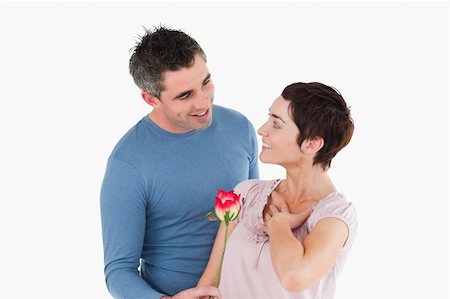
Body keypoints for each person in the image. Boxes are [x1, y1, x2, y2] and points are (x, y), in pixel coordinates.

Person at [100, 26, 259, 299]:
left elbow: (253, 214)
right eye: (185, 95)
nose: (203, 102)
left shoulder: (239, 127)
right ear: (150, 98)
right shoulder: (128, 164)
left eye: (206, 83)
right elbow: (118, 270)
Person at [198, 82, 357, 298]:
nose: (262, 130)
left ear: (311, 144)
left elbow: (294, 277)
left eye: (276, 124)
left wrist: (279, 224)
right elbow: (208, 285)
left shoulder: (336, 216)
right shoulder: (245, 193)